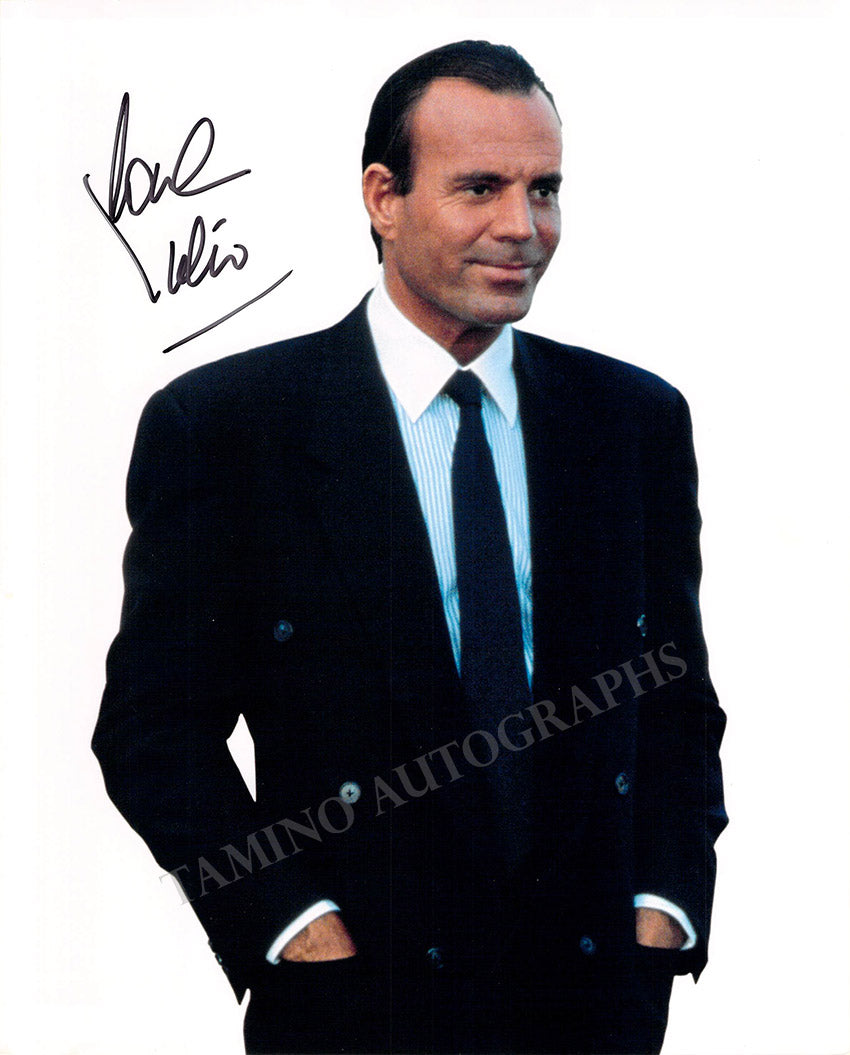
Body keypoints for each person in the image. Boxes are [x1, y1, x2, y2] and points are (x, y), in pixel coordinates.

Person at [93, 40, 727, 1055]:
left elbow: (674, 698)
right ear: (382, 197)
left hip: (592, 1008)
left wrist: (664, 906)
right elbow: (151, 732)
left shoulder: (631, 419)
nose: (522, 227)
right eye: (480, 187)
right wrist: (287, 922)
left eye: (544, 189)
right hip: (358, 1011)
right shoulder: (228, 427)